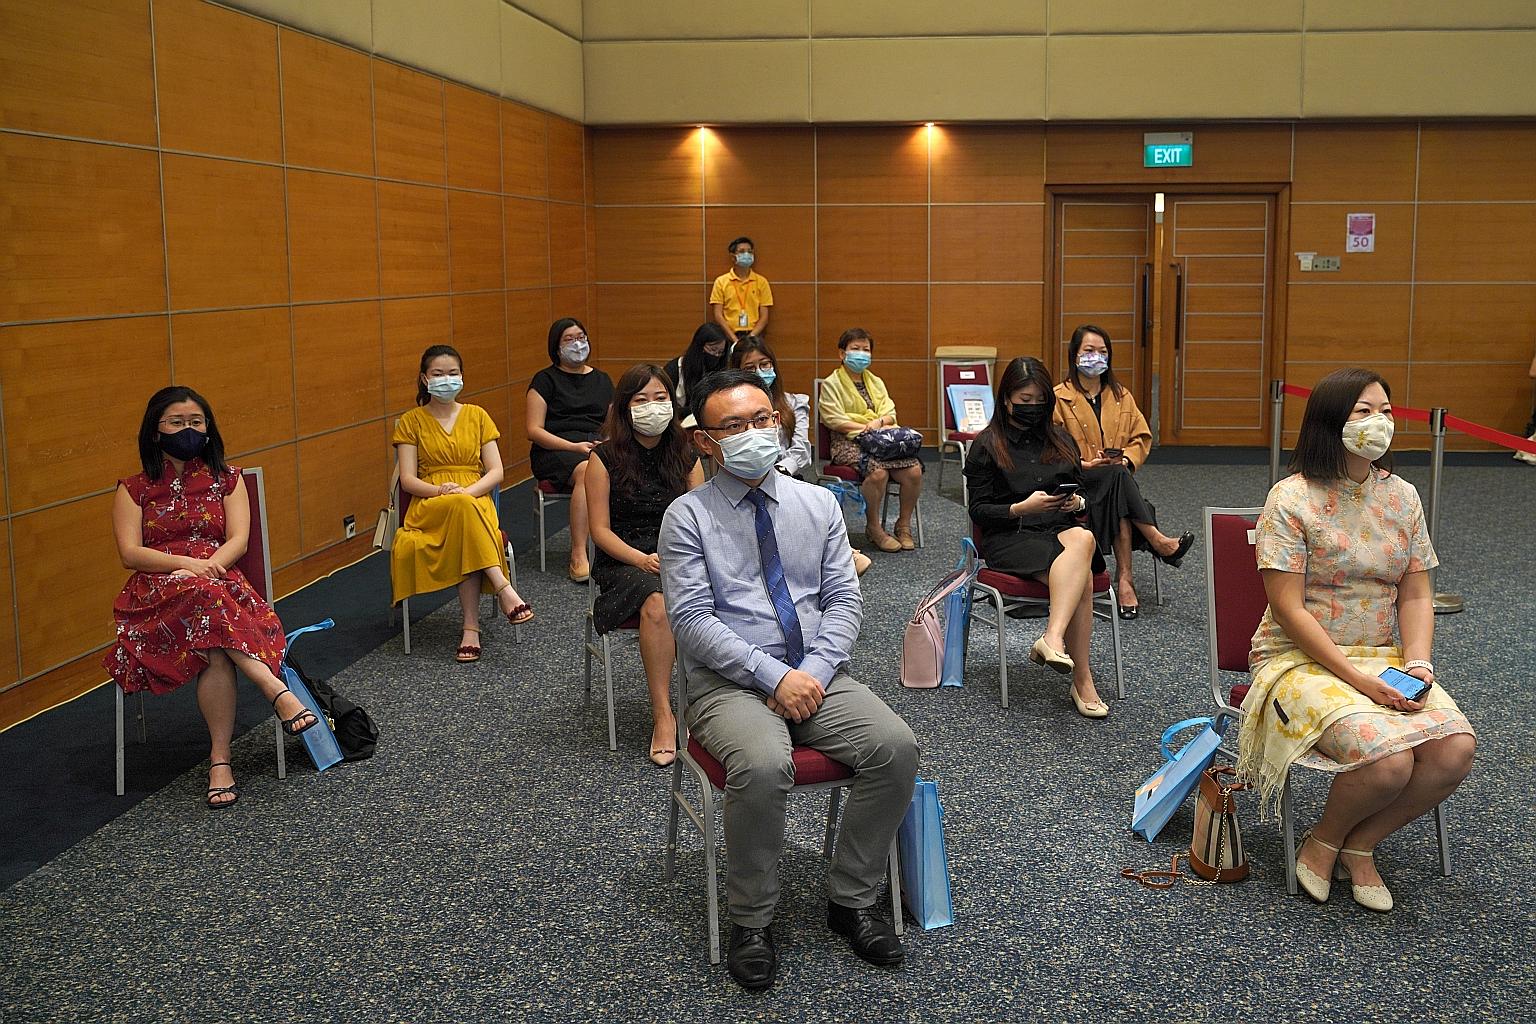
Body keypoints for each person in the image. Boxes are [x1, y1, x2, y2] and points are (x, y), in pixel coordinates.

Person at [660, 369, 919, 991]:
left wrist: (812, 673)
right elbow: (691, 621)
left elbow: (844, 603)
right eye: (733, 426)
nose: (753, 433)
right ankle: (752, 919)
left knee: (896, 748)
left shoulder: (817, 503)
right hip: (727, 682)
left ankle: (852, 899)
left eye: (761, 419)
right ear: (705, 442)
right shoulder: (687, 516)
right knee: (762, 762)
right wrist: (774, 677)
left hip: (816, 672)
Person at [1241, 368, 1475, 912]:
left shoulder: (1403, 497)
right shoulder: (1290, 498)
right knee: (1389, 763)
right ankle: (1323, 840)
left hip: (1381, 656)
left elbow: (1415, 592)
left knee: (1454, 751)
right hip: (1298, 659)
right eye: (1364, 412)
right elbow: (1288, 609)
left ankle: (1361, 843)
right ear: (1331, 422)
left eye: (1386, 411)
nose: (1380, 422)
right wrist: (1359, 681)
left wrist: (1419, 663)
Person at [106, 387, 320, 808]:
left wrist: (205, 568)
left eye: (196, 422)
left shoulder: (228, 479)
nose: (188, 429)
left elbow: (239, 540)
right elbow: (130, 554)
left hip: (219, 583)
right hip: (156, 597)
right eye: (176, 422)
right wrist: (186, 565)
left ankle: (220, 761)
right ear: (155, 431)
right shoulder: (133, 489)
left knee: (214, 639)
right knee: (208, 605)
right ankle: (274, 690)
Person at [964, 357, 1110, 718]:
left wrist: (1076, 502)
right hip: (1010, 536)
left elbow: (1083, 496)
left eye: (1040, 401)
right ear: (1006, 399)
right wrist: (1020, 508)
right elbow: (979, 511)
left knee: (1083, 539)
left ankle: (1053, 638)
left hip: (1059, 529)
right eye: (1024, 400)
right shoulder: (987, 445)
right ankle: (1082, 679)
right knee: (1082, 576)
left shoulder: (1061, 439)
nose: (1033, 407)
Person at [584, 364, 705, 766]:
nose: (652, 406)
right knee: (656, 602)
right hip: (625, 558)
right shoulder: (603, 458)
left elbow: (702, 519)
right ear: (624, 407)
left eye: (660, 398)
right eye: (641, 399)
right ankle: (663, 713)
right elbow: (599, 531)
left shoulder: (687, 453)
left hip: (679, 552)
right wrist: (642, 559)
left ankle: (710, 700)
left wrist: (678, 555)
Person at [392, 345, 534, 663]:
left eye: (453, 373)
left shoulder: (478, 415)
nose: (446, 379)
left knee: (465, 517)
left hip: (474, 498)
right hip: (431, 503)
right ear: (424, 378)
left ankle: (471, 629)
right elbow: (408, 480)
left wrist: (467, 493)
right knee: (463, 514)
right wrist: (441, 491)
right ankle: (503, 587)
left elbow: (496, 471)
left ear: (462, 376)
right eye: (438, 374)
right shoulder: (411, 421)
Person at [1053, 324, 1193, 619]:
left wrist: (1127, 460)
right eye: (1089, 351)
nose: (1096, 357)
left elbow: (1141, 437)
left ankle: (1126, 579)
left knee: (1118, 482)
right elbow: (1051, 449)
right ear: (1074, 355)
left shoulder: (1121, 396)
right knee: (1119, 482)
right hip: (1078, 485)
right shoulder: (1058, 398)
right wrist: (1084, 464)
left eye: (1102, 351)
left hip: (1115, 483)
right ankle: (1155, 542)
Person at [732, 338, 872, 577]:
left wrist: (777, 472)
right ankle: (840, 556)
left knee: (811, 500)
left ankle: (834, 556)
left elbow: (801, 450)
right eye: (750, 368)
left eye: (765, 364)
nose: (759, 372)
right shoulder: (730, 410)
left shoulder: (794, 403)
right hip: (742, 477)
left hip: (785, 474)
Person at [818, 328, 923, 553]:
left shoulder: (876, 381)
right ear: (842, 353)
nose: (861, 353)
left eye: (865, 349)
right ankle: (874, 528)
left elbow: (890, 413)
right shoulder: (831, 384)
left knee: (914, 471)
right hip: (847, 442)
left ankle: (903, 525)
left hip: (880, 442)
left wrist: (879, 423)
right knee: (878, 473)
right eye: (855, 348)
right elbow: (833, 419)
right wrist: (867, 428)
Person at [527, 318, 614, 582]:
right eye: (569, 339)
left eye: (581, 337)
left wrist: (606, 442)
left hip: (595, 444)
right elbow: (534, 430)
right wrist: (574, 447)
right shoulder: (544, 380)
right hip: (555, 447)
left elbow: (613, 423)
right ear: (556, 346)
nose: (577, 344)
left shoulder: (602, 379)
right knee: (587, 469)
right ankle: (578, 553)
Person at [664, 322, 734, 418]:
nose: (716, 355)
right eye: (713, 350)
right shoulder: (675, 369)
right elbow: (666, 407)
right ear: (699, 346)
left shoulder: (721, 369)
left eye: (720, 352)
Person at [709, 236, 773, 341]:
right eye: (742, 251)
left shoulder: (762, 282)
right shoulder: (721, 282)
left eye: (750, 251)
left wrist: (750, 338)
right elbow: (718, 314)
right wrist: (734, 339)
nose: (746, 254)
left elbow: (764, 317)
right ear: (733, 257)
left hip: (754, 336)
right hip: (728, 336)